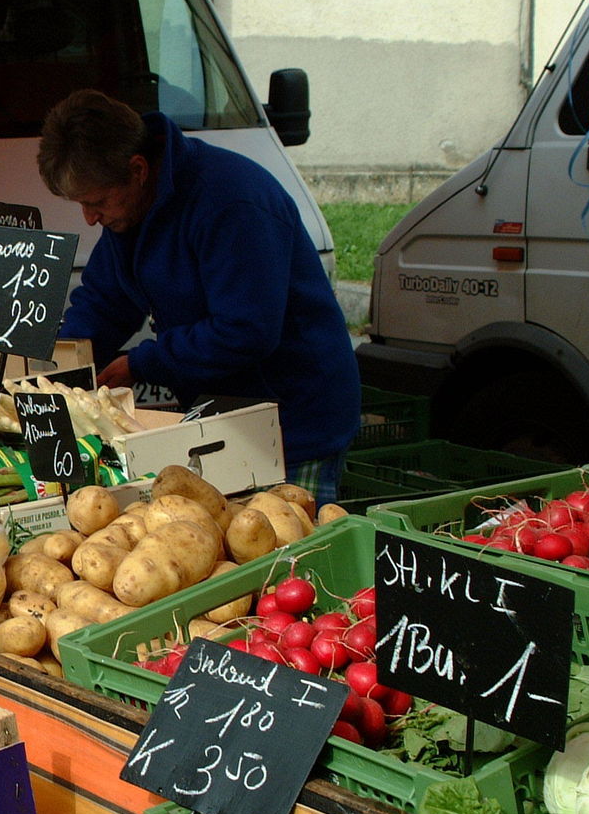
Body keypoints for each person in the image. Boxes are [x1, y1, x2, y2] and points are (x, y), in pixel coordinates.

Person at [38, 89, 359, 504]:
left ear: (137, 170)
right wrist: (61, 367)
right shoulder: (133, 210)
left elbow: (246, 330)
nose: (90, 217)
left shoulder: (232, 202)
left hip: (295, 419)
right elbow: (105, 298)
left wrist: (144, 362)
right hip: (221, 417)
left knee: (292, 554)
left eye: (96, 201)